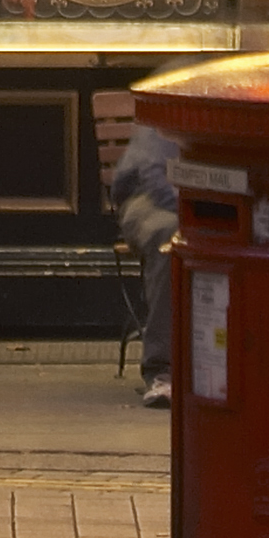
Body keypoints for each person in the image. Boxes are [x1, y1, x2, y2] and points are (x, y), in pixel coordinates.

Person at [108, 109, 186, 408]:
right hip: (152, 197)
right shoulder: (179, 86)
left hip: (207, 195)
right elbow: (157, 176)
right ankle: (163, 371)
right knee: (172, 238)